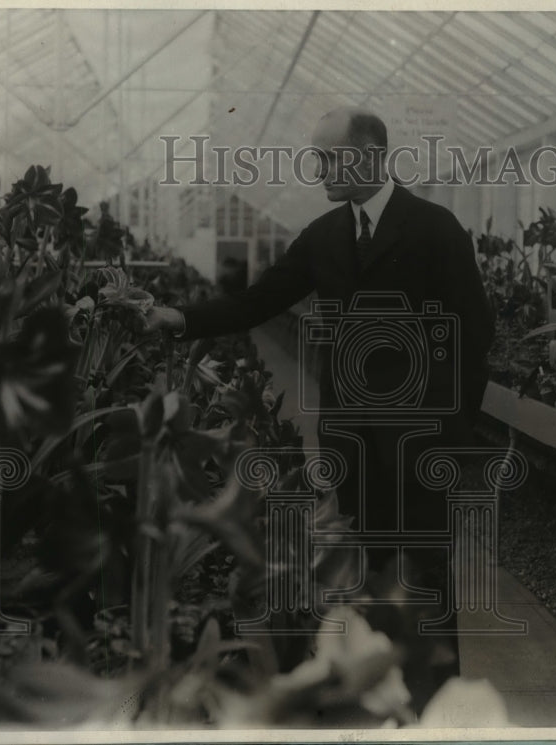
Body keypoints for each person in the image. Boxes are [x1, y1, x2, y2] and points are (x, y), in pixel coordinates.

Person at [142, 106, 494, 709]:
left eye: (328, 157)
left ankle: (440, 715)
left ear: (370, 155)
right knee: (359, 583)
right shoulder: (326, 236)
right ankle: (376, 705)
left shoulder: (433, 228)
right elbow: (258, 300)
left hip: (416, 450)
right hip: (350, 446)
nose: (318, 169)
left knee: (424, 584)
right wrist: (182, 318)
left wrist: (447, 432)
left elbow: (474, 333)